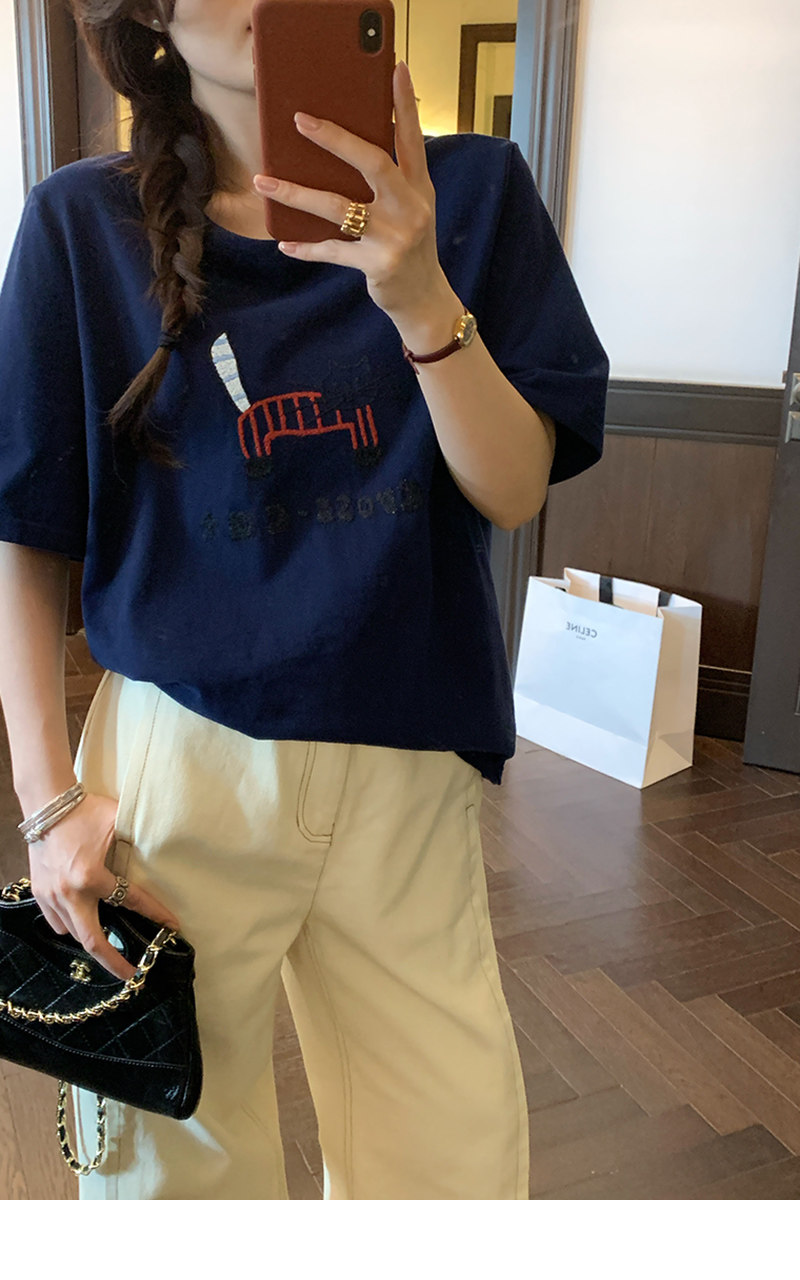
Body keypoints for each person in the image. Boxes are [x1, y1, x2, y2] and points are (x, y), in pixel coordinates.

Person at [0, 0, 608, 1200]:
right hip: (177, 768)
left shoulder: (472, 191)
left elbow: (511, 487)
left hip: (407, 751)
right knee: (171, 1181)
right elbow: (26, 535)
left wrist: (420, 296)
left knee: (446, 1174)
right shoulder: (80, 223)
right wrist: (45, 802)